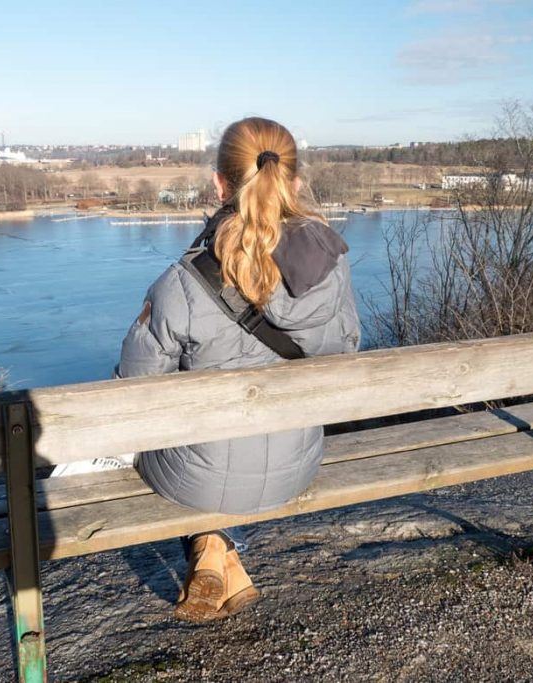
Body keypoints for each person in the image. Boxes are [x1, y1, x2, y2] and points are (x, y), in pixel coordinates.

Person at [115, 117, 360, 621]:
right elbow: (345, 353)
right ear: (293, 183)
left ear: (219, 184)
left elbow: (135, 391)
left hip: (196, 479)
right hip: (297, 465)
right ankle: (225, 557)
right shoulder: (332, 267)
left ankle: (208, 543)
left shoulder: (181, 282)